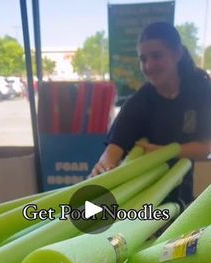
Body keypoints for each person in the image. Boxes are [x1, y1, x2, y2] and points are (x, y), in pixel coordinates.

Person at [90, 22, 211, 204]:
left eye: (156, 56)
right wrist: (104, 167)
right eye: (143, 59)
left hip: (182, 192)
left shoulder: (200, 91)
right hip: (139, 198)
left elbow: (205, 148)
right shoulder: (139, 102)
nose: (149, 66)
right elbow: (114, 147)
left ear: (177, 53)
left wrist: (164, 152)